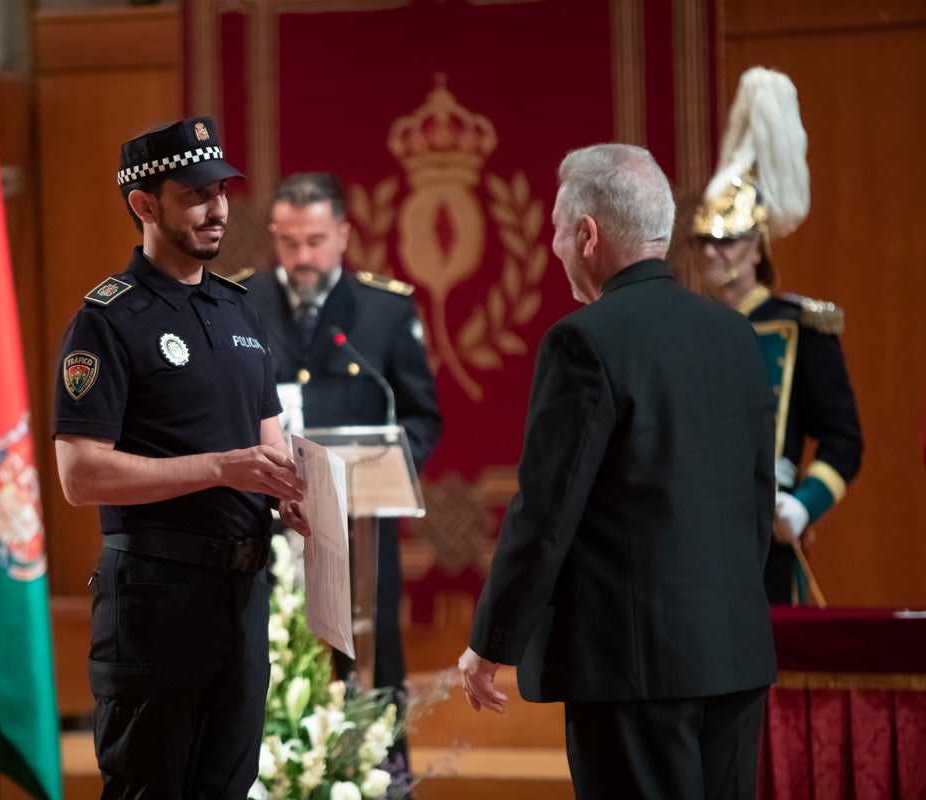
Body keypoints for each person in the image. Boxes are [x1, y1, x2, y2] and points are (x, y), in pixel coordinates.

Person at [458, 145, 777, 800]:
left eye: (553, 228)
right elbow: (756, 496)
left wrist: (491, 641)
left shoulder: (584, 340)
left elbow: (546, 513)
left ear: (587, 233)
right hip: (736, 655)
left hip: (634, 672)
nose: (552, 246)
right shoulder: (735, 335)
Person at [51, 117, 309, 798]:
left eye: (221, 190)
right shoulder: (108, 320)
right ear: (144, 204)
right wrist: (224, 468)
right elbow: (80, 475)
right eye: (195, 193)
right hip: (156, 598)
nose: (217, 208)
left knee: (228, 785)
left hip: (242, 594)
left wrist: (288, 490)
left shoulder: (239, 312)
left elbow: (269, 437)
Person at [236, 171, 442, 768]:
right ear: (274, 233)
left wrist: (381, 475)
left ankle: (375, 777)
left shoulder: (383, 311)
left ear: (344, 235)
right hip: (266, 532)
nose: (303, 257)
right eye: (290, 241)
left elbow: (422, 418)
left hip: (358, 535)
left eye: (317, 241)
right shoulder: (240, 305)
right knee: (269, 671)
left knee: (367, 679)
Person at [693, 66, 862, 604]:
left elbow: (844, 439)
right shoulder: (687, 326)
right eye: (704, 242)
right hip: (690, 545)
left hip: (767, 546)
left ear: (758, 247)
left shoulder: (800, 325)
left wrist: (806, 502)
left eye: (729, 240)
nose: (712, 252)